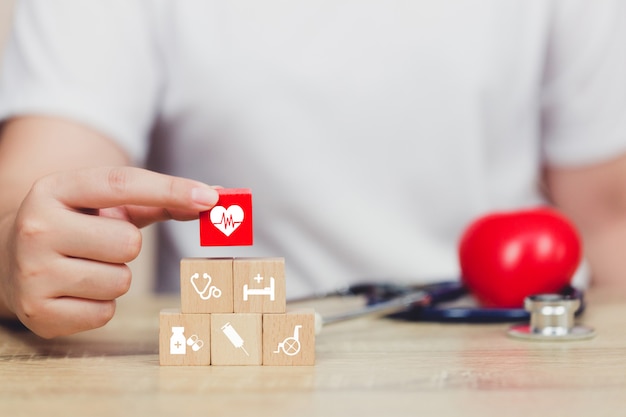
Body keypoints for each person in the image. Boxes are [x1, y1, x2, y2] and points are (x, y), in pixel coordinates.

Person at [0, 0, 625, 339]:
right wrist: (15, 249)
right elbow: (35, 188)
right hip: (242, 379)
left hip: (496, 352)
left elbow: (609, 228)